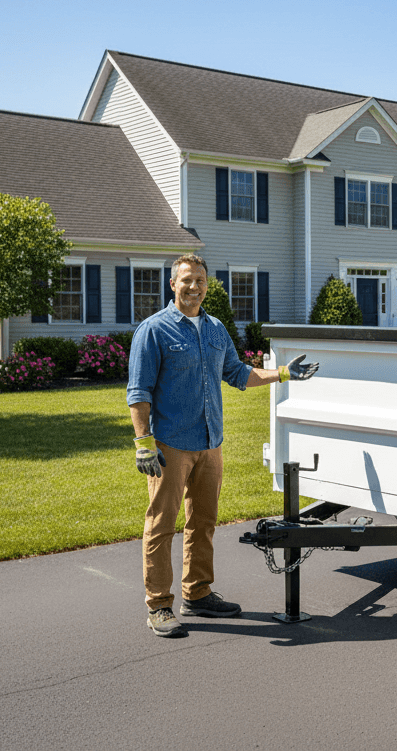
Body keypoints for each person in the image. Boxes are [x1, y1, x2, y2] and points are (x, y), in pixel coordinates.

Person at [127, 253, 318, 637]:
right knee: (161, 525)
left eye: (200, 281)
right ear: (173, 284)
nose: (193, 287)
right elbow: (138, 391)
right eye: (186, 280)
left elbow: (237, 373)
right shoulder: (154, 330)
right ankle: (159, 605)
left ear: (206, 286)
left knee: (203, 522)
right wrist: (144, 441)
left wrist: (282, 373)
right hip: (170, 445)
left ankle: (197, 594)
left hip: (210, 443)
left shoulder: (215, 329)